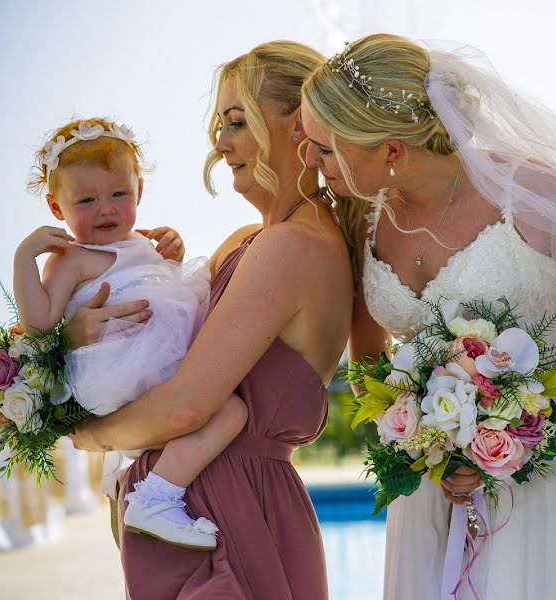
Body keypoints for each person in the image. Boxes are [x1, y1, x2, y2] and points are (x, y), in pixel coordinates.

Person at [302, 34, 556, 600]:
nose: (312, 161)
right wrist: (422, 444)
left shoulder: (533, 196)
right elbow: (370, 364)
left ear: (392, 151)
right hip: (428, 478)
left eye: (326, 148)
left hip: (538, 457)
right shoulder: (363, 222)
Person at [71, 41, 353, 599]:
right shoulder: (247, 243)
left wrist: (81, 432)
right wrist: (76, 334)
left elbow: (185, 405)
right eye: (219, 125)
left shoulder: (291, 247)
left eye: (237, 121)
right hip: (195, 512)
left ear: (300, 125)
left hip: (230, 519)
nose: (220, 144)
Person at [16, 117, 246, 551]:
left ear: (139, 191)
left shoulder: (142, 242)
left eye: (119, 194)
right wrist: (24, 259)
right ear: (55, 207)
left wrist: (172, 259)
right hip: (121, 367)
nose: (106, 208)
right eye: (86, 199)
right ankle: (157, 496)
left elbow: (160, 293)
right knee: (230, 412)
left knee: (225, 410)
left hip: (159, 357)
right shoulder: (70, 259)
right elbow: (38, 326)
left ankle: (147, 493)